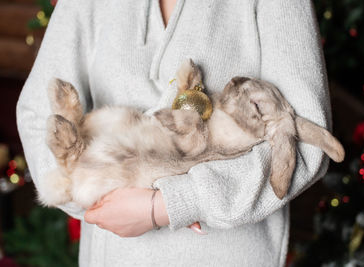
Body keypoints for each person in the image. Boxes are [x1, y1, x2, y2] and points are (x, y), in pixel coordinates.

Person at [16, 0, 332, 266]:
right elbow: (37, 114)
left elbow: (307, 139)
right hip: (113, 255)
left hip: (227, 256)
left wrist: (170, 205)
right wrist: (94, 195)